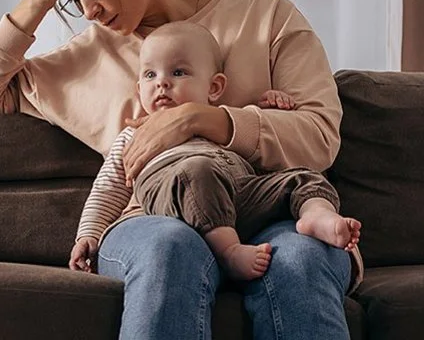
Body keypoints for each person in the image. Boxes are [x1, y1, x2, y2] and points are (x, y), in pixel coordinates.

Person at [0, 0, 363, 339]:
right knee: (170, 249)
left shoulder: (266, 17)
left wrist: (200, 119)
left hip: (272, 210)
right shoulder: (79, 63)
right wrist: (35, 3)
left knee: (299, 259)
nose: (87, 9)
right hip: (154, 220)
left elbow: (319, 137)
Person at [67, 22, 361, 282]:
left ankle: (315, 216)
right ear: (138, 88)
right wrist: (89, 234)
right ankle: (228, 252)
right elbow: (108, 188)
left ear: (215, 87)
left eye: (178, 72)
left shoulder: (226, 119)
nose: (162, 83)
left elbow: (265, 145)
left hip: (236, 196)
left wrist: (273, 106)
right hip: (176, 196)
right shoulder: (134, 134)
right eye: (149, 75)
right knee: (197, 170)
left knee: (303, 178)